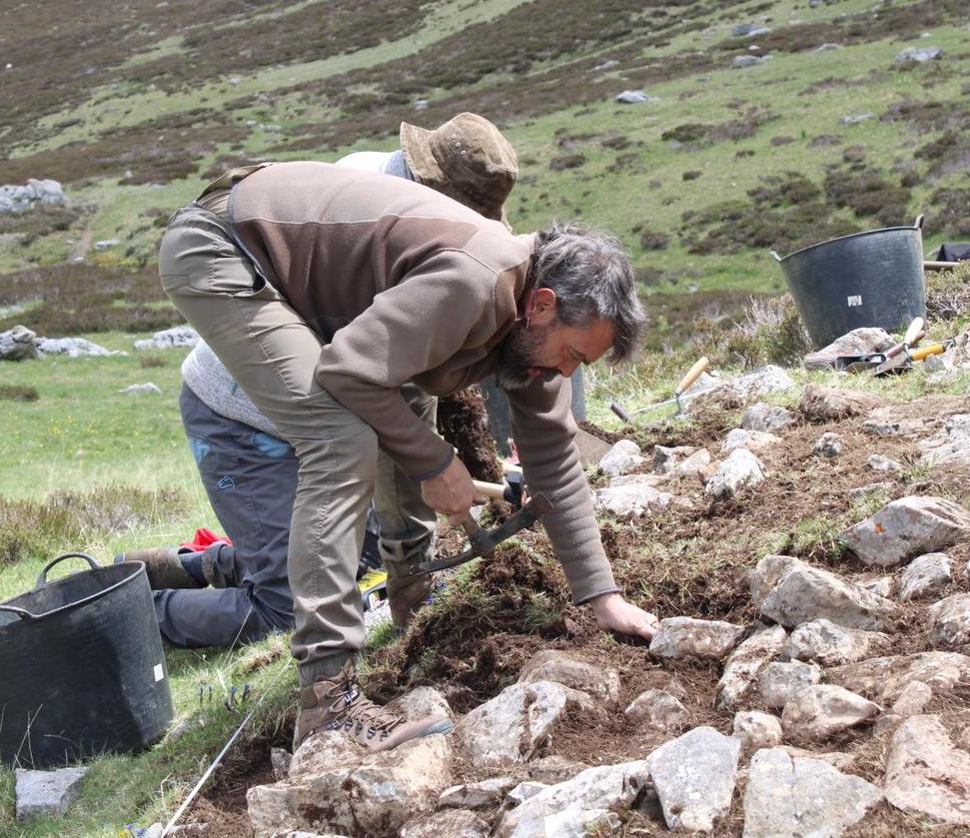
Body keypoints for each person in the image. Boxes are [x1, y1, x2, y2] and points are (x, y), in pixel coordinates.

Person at [158, 159, 659, 752]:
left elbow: (555, 460)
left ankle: (411, 591)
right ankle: (328, 703)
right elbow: (349, 372)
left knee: (406, 403)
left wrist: (603, 597)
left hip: (275, 253)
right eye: (572, 353)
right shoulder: (475, 281)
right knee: (340, 436)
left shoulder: (533, 327)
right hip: (226, 244)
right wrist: (435, 463)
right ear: (543, 305)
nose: (567, 371)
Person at [125, 114, 520, 649]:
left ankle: (192, 566)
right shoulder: (382, 223)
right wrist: (433, 464)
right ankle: (120, 616)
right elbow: (381, 386)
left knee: (364, 545)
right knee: (289, 607)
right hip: (241, 422)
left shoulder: (393, 196)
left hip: (327, 415)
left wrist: (414, 556)